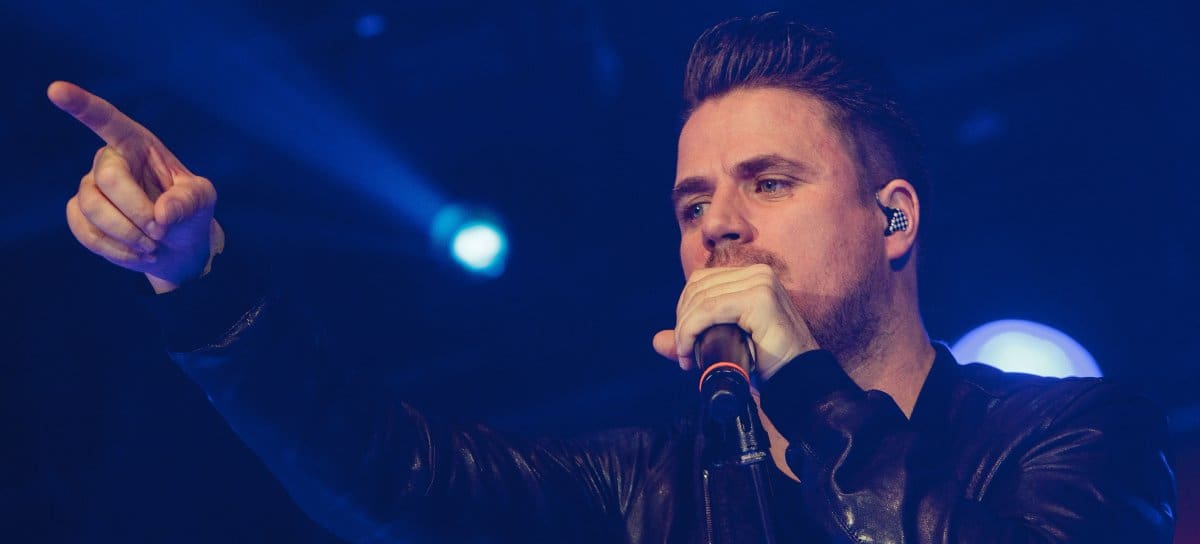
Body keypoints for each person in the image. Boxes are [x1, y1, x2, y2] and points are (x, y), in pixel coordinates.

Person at [49, 12, 1175, 543]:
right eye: (693, 204)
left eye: (769, 182)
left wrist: (806, 386)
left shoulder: (1078, 437)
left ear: (893, 218)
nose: (718, 225)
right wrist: (199, 278)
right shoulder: (647, 491)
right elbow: (388, 475)